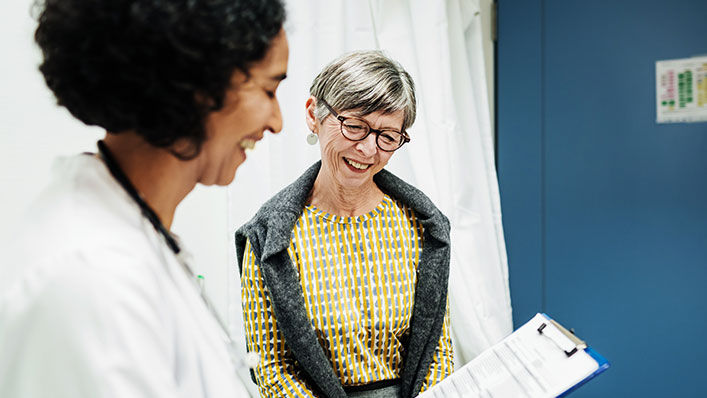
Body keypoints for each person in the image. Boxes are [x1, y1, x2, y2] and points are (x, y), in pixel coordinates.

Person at [0, 0, 287, 397]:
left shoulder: (135, 236)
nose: (277, 122)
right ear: (198, 87)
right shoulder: (92, 276)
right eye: (269, 89)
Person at [236, 51, 453, 398]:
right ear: (313, 115)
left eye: (388, 136)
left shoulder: (422, 226)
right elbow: (271, 368)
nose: (368, 150)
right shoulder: (269, 237)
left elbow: (436, 350)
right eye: (354, 126)